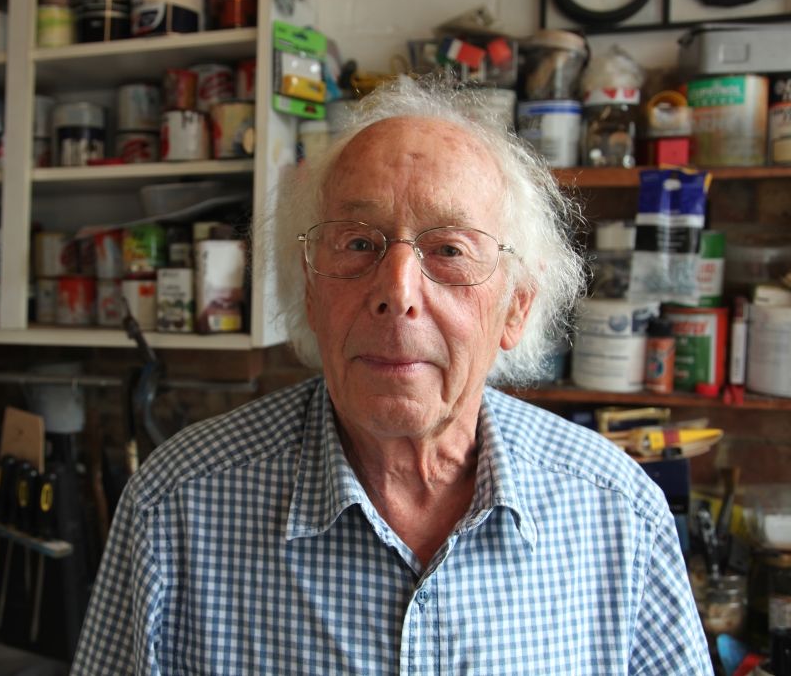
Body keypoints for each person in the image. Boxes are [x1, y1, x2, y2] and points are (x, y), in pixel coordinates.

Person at [71, 77, 711, 674]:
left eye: (449, 250)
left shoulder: (620, 515)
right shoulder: (175, 508)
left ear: (515, 308)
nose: (397, 292)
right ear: (311, 294)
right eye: (356, 243)